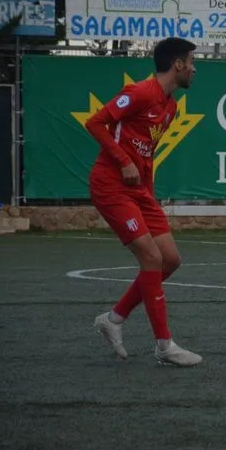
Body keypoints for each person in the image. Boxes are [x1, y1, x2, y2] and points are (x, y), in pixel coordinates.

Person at [86, 37, 202, 367]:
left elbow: (146, 155)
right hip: (111, 185)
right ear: (177, 64)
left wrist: (147, 192)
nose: (194, 69)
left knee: (170, 260)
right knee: (151, 257)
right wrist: (123, 161)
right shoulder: (139, 92)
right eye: (191, 62)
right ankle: (164, 346)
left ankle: (114, 318)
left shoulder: (170, 107)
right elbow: (95, 122)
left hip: (139, 191)